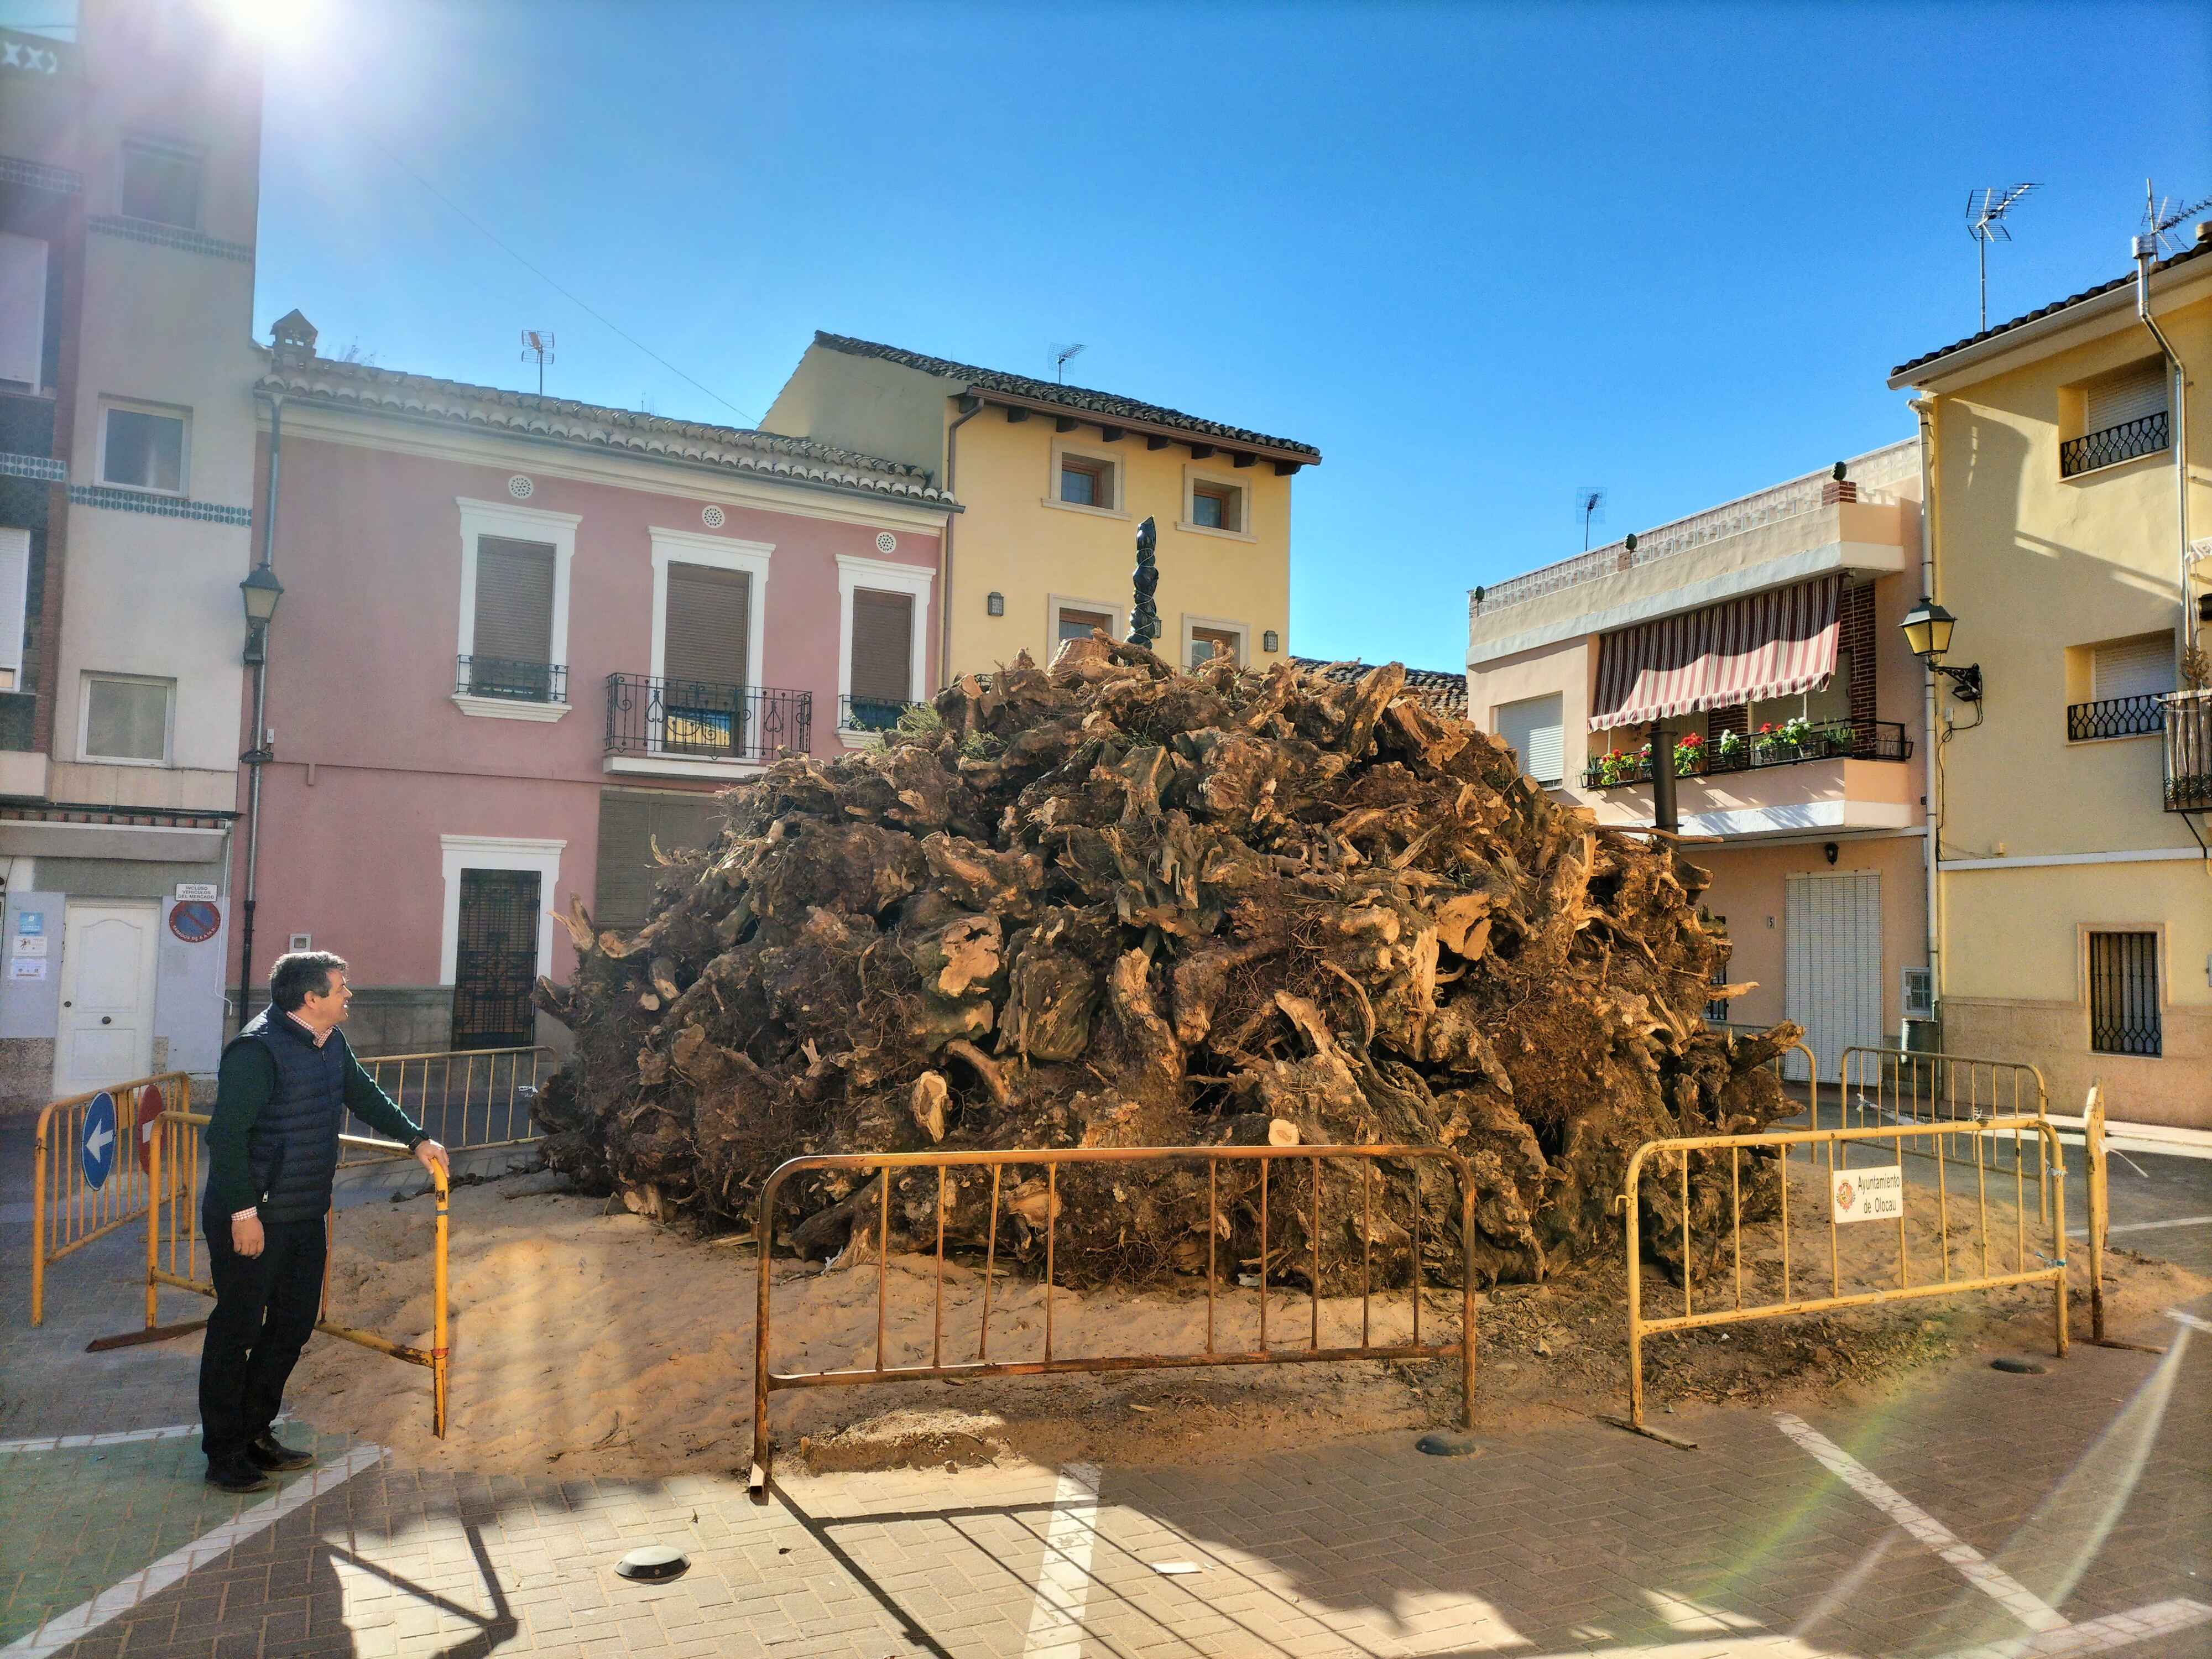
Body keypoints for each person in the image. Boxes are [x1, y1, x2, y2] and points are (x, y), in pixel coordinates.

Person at [199, 951, 448, 1493]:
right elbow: (225, 1139)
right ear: (311, 999)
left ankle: (254, 1430)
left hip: (304, 1213)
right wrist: (244, 1214)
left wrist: (415, 1138)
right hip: (252, 1217)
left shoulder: (328, 1041)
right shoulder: (255, 1050)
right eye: (341, 988)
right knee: (236, 1330)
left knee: (293, 1322)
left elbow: (363, 1095)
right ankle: (223, 1452)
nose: (349, 995)